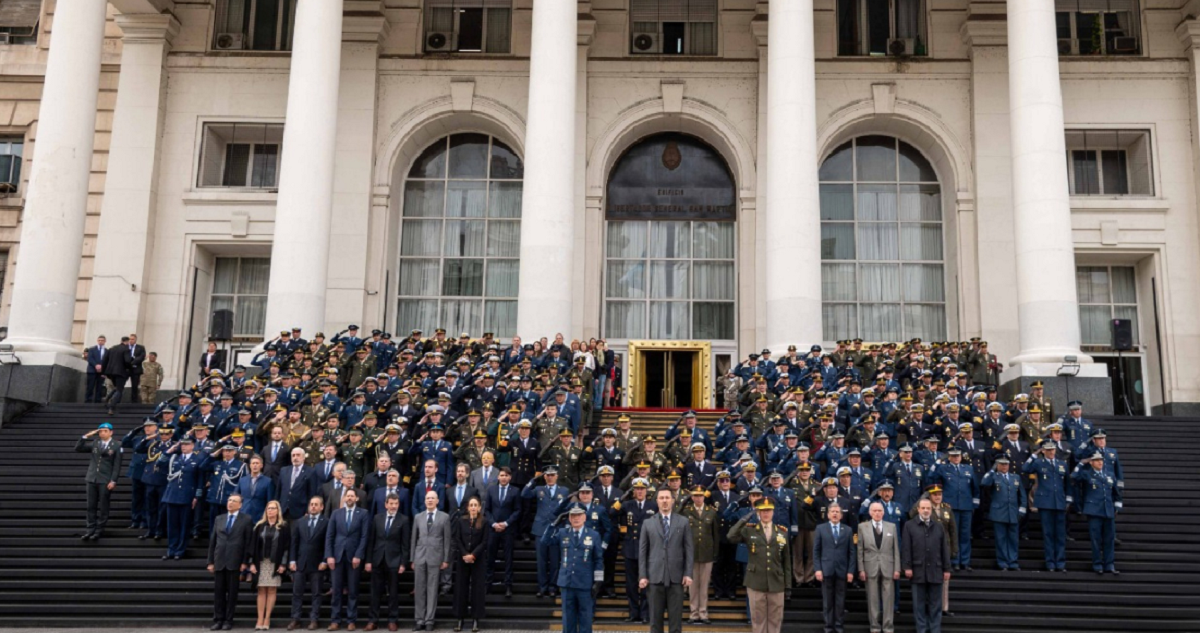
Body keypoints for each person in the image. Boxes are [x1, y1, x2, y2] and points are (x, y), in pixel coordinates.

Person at [727, 498, 789, 633]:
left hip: (776, 582)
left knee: (775, 620)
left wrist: (788, 585)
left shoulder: (782, 532)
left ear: (773, 512)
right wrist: (745, 519)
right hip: (756, 581)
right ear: (758, 513)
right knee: (758, 620)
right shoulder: (750, 530)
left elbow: (787, 561)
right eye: (762, 511)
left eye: (768, 511)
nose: (765, 514)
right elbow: (731, 536)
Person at [638, 488, 693, 633]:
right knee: (655, 622)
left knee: (675, 622)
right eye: (661, 498)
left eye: (667, 498)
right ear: (656, 501)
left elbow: (689, 549)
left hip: (677, 577)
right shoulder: (647, 523)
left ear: (673, 501)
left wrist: (688, 573)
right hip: (655, 577)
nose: (664, 501)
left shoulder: (683, 522)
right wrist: (643, 575)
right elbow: (643, 552)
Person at [544, 506, 605, 633]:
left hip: (585, 583)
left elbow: (599, 559)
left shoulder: (594, 535)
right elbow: (545, 541)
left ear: (584, 517)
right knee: (568, 619)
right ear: (569, 518)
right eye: (572, 516)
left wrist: (598, 581)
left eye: (578, 515)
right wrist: (554, 523)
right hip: (567, 582)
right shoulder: (562, 533)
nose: (576, 518)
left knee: (585, 618)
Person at [902, 498, 952, 633]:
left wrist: (947, 568)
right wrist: (907, 567)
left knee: (936, 604)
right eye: (923, 508)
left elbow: (944, 549)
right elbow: (906, 548)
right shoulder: (909, 525)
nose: (925, 510)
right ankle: (921, 629)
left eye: (928, 508)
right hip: (917, 570)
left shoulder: (939, 526)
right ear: (918, 509)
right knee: (919, 604)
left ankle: (935, 629)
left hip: (936, 570)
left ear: (931, 510)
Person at [208, 493, 255, 631]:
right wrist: (210, 561)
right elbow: (213, 541)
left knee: (232, 593)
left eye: (234, 501)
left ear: (240, 504)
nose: (230, 503)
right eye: (229, 500)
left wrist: (245, 562)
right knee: (219, 593)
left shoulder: (246, 519)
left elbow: (248, 542)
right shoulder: (219, 518)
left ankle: (229, 620)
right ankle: (218, 619)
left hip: (235, 561)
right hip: (219, 560)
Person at [325, 488, 370, 630]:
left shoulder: (363, 513)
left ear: (356, 498)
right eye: (347, 496)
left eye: (352, 496)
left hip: (354, 556)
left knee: (353, 589)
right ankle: (335, 620)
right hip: (337, 556)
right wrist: (329, 555)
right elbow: (330, 536)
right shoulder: (336, 513)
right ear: (344, 498)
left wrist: (359, 555)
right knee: (336, 589)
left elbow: (364, 536)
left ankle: (351, 620)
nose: (349, 498)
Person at [1022, 440, 1070, 572]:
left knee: (1060, 534)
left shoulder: (1062, 464)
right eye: (1048, 450)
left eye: (1053, 449)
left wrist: (1068, 500)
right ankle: (1050, 563)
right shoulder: (1038, 463)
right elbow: (1025, 469)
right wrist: (1034, 455)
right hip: (1045, 503)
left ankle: (1060, 563)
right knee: (1048, 534)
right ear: (1043, 451)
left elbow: (1067, 483)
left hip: (1059, 502)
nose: (1051, 452)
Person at [366, 494, 411, 632]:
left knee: (393, 592)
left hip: (394, 561)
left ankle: (392, 620)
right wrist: (368, 561)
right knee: (375, 592)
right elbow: (371, 541)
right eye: (391, 503)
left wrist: (403, 563)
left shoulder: (404, 520)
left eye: (395, 504)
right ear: (386, 504)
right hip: (377, 559)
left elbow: (405, 544)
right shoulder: (377, 518)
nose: (393, 506)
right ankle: (373, 620)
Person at [1072, 452, 1122, 574]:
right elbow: (1073, 476)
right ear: (1091, 462)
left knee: (1109, 539)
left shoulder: (1109, 474)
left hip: (1108, 510)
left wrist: (1117, 505)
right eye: (1097, 460)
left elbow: (1116, 492)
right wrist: (1080, 464)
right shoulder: (1087, 474)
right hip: (1094, 511)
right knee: (1096, 540)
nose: (1100, 462)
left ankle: (1109, 565)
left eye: (1101, 460)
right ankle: (1097, 564)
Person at [857, 501, 901, 633]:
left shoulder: (891, 526)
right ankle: (875, 627)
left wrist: (897, 568)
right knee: (872, 599)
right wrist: (861, 569)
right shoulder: (862, 527)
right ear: (870, 513)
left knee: (888, 600)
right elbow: (860, 550)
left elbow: (896, 549)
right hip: (870, 566)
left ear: (883, 512)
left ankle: (888, 627)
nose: (877, 513)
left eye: (880, 511)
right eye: (874, 511)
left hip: (888, 566)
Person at [412, 490, 452, 632]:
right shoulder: (418, 517)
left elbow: (447, 540)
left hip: (436, 557)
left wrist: (446, 559)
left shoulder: (444, 517)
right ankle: (419, 619)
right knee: (419, 589)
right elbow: (414, 538)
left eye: (432, 498)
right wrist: (412, 558)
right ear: (424, 501)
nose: (429, 500)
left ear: (437, 501)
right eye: (427, 498)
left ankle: (429, 620)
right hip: (420, 556)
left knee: (432, 589)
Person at [76, 422, 122, 541]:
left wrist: (113, 480)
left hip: (105, 480)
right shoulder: (95, 443)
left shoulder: (116, 445)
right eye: (100, 431)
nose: (102, 433)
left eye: (105, 431)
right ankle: (90, 529)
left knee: (103, 505)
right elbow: (78, 448)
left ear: (111, 432)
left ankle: (99, 529)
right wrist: (86, 436)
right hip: (92, 478)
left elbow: (117, 465)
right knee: (90, 506)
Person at [813, 504, 856, 633]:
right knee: (827, 601)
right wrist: (818, 569)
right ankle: (828, 626)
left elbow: (852, 552)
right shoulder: (820, 528)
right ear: (828, 514)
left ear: (842, 515)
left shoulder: (848, 530)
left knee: (840, 601)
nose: (835, 514)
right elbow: (816, 550)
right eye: (832, 511)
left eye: (837, 512)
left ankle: (838, 626)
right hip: (826, 569)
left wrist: (850, 571)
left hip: (842, 570)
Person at [288, 496, 329, 631]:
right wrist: (292, 560)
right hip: (300, 563)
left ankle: (314, 619)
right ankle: (295, 619)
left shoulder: (326, 522)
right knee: (297, 593)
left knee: (316, 593)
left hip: (317, 564)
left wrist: (325, 560)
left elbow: (327, 543)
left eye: (316, 505)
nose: (313, 507)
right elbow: (294, 543)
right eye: (311, 504)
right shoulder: (300, 522)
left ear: (322, 507)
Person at [679, 486, 719, 624]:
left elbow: (715, 535)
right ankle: (694, 613)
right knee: (693, 586)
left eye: (700, 495)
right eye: (695, 495)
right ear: (692, 497)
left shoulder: (711, 512)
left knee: (704, 586)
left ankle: (703, 613)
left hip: (707, 554)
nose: (698, 498)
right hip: (691, 555)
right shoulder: (686, 511)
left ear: (704, 497)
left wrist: (715, 553)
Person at [451, 496, 490, 632]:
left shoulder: (484, 522)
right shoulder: (461, 521)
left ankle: (475, 619)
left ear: (479, 508)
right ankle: (459, 618)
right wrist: (464, 554)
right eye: (471, 505)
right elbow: (458, 538)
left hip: (477, 559)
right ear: (468, 507)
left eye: (475, 505)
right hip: (463, 559)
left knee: (477, 589)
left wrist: (473, 555)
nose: (473, 507)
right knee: (461, 587)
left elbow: (484, 542)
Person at [251, 500, 291, 631]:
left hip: (275, 563)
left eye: (273, 508)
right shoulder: (259, 526)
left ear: (278, 511)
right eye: (268, 508)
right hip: (261, 562)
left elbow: (286, 547)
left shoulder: (283, 526)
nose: (270, 511)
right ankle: (259, 618)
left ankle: (267, 618)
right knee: (261, 590)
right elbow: (253, 546)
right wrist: (252, 562)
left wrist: (284, 564)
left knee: (272, 590)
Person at [979, 456, 1025, 571]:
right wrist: (992, 469)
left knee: (1013, 539)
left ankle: (1013, 562)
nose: (1004, 466)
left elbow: (1022, 494)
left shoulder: (1016, 477)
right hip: (999, 512)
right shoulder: (994, 476)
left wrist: (1023, 507)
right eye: (1001, 464)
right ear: (997, 465)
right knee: (1001, 539)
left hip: (1013, 512)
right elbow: (984, 483)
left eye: (1006, 464)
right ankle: (1003, 562)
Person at [163, 436, 203, 560]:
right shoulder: (175, 458)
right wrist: (169, 451)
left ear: (193, 445)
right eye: (182, 444)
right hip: (172, 495)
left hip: (187, 496)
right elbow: (160, 462)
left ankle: (180, 550)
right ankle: (171, 549)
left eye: (187, 444)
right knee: (172, 525)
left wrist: (197, 496)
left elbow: (200, 481)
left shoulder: (197, 460)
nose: (184, 446)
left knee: (184, 525)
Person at [482, 467, 520, 595]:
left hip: (508, 529)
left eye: (506, 475)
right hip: (493, 529)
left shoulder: (515, 491)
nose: (503, 477)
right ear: (498, 477)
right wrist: (493, 523)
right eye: (501, 475)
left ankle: (508, 585)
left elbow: (517, 510)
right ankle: (488, 584)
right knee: (490, 557)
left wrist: (505, 523)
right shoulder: (491, 490)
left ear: (510, 477)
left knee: (508, 558)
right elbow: (487, 510)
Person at [238, 455, 276, 523]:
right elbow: (237, 496)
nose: (255, 465)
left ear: (261, 465)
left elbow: (269, 501)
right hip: (243, 514)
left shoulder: (268, 481)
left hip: (259, 516)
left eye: (257, 463)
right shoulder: (242, 480)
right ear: (250, 465)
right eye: (253, 463)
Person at [103, 336, 131, 415]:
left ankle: (107, 398)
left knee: (116, 387)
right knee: (120, 390)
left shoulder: (112, 348)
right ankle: (111, 407)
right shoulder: (126, 349)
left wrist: (104, 372)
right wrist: (130, 367)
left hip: (111, 372)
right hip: (120, 372)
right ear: (127, 342)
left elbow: (105, 359)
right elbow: (127, 361)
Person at [84, 335, 108, 403]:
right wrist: (96, 365)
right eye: (99, 340)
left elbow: (107, 360)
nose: (100, 342)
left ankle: (98, 400)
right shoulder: (92, 349)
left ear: (105, 341)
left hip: (102, 371)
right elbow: (90, 358)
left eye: (102, 340)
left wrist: (102, 367)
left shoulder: (107, 351)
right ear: (97, 341)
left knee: (99, 386)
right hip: (92, 370)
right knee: (90, 386)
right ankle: (88, 400)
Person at [126, 333, 147, 403]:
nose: (131, 340)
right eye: (130, 339)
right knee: (120, 384)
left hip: (136, 369)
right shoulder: (126, 347)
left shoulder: (140, 347)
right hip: (126, 369)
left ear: (135, 340)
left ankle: (134, 400)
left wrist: (133, 362)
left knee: (135, 386)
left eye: (132, 339)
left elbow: (142, 356)